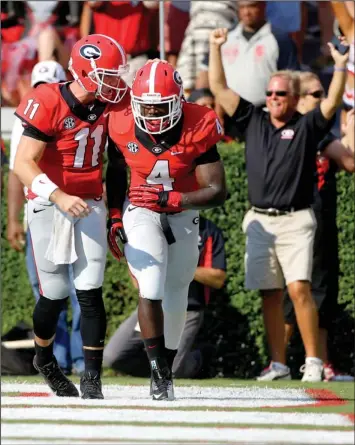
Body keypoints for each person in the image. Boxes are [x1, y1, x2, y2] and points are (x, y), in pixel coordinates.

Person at [208, 27, 349, 382]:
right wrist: (214, 47)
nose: (273, 98)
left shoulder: (306, 126)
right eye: (270, 92)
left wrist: (342, 67)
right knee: (269, 294)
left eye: (281, 93)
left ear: (294, 96)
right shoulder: (253, 119)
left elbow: (330, 105)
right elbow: (219, 90)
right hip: (259, 220)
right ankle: (279, 364)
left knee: (299, 288)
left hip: (295, 220)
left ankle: (314, 362)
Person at [13, 34, 130, 399]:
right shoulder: (47, 99)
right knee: (55, 292)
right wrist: (59, 195)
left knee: (90, 290)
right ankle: (44, 358)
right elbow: (21, 162)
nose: (115, 82)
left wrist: (114, 214)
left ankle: (92, 377)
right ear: (83, 71)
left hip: (91, 202)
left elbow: (117, 163)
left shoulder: (114, 102)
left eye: (116, 74)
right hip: (50, 202)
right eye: (107, 75)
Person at [106, 60, 227, 400]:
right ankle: (158, 371)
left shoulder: (199, 122)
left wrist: (173, 198)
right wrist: (114, 215)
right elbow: (115, 169)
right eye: (147, 106)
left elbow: (217, 190)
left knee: (177, 292)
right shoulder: (121, 120)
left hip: (181, 210)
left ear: (179, 100)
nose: (155, 114)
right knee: (152, 282)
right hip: (142, 207)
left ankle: (166, 369)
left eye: (162, 106)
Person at [257, 72, 354, 381]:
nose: (321, 99)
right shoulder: (304, 130)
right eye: (315, 94)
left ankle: (315, 363)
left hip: (319, 220)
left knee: (318, 292)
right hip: (299, 218)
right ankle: (279, 361)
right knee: (294, 292)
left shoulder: (314, 130)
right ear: (299, 99)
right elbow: (349, 160)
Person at [7, 60, 85, 376]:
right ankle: (59, 357)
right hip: (40, 211)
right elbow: (17, 171)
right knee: (48, 290)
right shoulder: (26, 117)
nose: (43, 92)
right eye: (39, 86)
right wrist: (14, 220)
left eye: (48, 86)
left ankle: (79, 358)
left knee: (82, 287)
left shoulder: (75, 111)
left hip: (74, 209)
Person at [103, 215, 227, 378]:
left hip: (189, 309)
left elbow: (218, 277)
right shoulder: (152, 223)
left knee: (173, 371)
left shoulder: (208, 230)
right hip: (153, 305)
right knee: (112, 357)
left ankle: (199, 358)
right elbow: (136, 281)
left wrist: (181, 267)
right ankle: (159, 370)